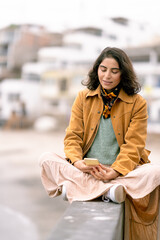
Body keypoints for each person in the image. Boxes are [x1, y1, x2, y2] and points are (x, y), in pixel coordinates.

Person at [40, 47, 160, 239]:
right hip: (87, 171)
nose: (107, 76)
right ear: (96, 69)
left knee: (155, 172)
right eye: (103, 69)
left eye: (114, 71)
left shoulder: (137, 103)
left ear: (123, 73)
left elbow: (134, 145)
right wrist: (78, 162)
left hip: (120, 173)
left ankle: (81, 189)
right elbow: (72, 137)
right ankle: (108, 191)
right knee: (46, 159)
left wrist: (115, 171)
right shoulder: (82, 98)